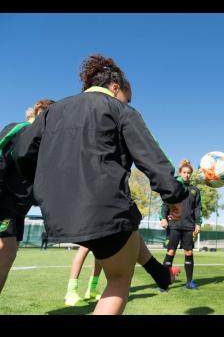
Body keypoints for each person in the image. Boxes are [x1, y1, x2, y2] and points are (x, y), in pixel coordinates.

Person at [13, 54, 188, 315]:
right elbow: (151, 158)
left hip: (59, 211)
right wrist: (174, 196)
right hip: (102, 206)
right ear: (115, 87)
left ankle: (158, 273)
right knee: (118, 278)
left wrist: (42, 190)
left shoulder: (52, 111)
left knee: (128, 229)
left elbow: (22, 152)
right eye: (128, 97)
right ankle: (159, 273)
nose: (128, 103)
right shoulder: (120, 110)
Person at [0, 99, 54, 293]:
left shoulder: (43, 147)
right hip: (4, 200)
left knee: (9, 253)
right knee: (5, 249)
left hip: (19, 208)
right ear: (39, 111)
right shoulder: (19, 129)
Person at [160, 159, 202, 290]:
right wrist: (163, 218)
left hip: (189, 226)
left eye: (189, 172)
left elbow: (197, 208)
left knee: (188, 252)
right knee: (171, 251)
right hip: (174, 225)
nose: (186, 174)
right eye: (184, 172)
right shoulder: (174, 188)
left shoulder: (195, 191)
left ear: (191, 174)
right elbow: (165, 204)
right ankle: (163, 282)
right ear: (180, 173)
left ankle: (189, 282)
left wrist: (198, 223)